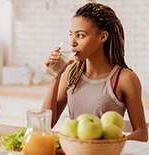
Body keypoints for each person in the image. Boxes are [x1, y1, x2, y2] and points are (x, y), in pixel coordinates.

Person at [42, 2, 148, 142]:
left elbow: (141, 133)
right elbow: (44, 125)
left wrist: (109, 145)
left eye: (80, 35)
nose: (72, 42)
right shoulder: (70, 72)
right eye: (71, 35)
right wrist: (55, 77)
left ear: (102, 37)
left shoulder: (125, 78)